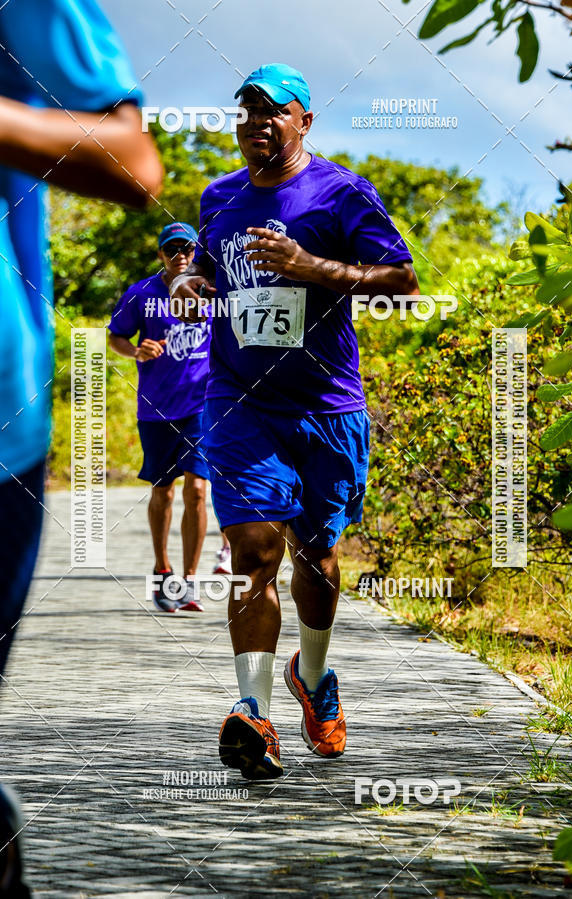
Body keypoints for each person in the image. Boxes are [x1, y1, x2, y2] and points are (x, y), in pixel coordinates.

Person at [171, 63, 419, 780]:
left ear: (304, 120)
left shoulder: (342, 193)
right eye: (246, 112)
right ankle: (253, 712)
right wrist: (191, 284)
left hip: (327, 406)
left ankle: (311, 677)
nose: (257, 123)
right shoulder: (218, 197)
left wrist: (313, 266)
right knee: (253, 551)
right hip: (239, 401)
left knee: (317, 558)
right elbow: (207, 272)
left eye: (273, 111)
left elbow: (402, 281)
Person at [0, 0, 162, 893]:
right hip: (161, 414)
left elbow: (131, 157)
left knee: (189, 494)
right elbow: (123, 341)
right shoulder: (145, 295)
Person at [108, 222, 231, 613]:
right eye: (172, 249)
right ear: (160, 254)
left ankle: (190, 582)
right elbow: (116, 336)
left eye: (188, 249)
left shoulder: (210, 291)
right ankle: (163, 569)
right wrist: (136, 351)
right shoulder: (141, 294)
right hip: (157, 408)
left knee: (198, 490)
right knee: (163, 491)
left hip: (201, 406)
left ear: (196, 253)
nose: (181, 255)